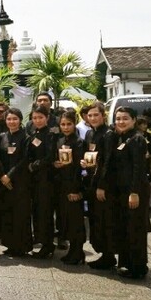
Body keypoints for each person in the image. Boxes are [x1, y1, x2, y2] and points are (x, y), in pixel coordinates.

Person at [100, 107, 150, 279]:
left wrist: (134, 192)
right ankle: (125, 263)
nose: (121, 122)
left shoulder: (137, 139)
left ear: (134, 120)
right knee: (124, 228)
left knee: (135, 229)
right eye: (118, 118)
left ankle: (138, 267)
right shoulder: (120, 137)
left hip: (134, 191)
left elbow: (139, 168)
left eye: (125, 118)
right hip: (120, 191)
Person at [83, 102, 117, 270]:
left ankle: (109, 255)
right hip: (90, 181)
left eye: (96, 115)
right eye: (90, 115)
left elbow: (108, 162)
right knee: (95, 219)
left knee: (105, 220)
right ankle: (103, 252)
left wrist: (102, 185)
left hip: (103, 185)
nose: (93, 118)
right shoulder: (90, 133)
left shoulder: (109, 134)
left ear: (103, 115)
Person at [0, 108, 32, 257]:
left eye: (15, 119)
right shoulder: (1, 137)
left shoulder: (26, 137)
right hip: (4, 182)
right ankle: (10, 244)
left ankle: (21, 246)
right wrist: (2, 176)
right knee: (7, 213)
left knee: (20, 214)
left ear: (20, 120)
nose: (12, 122)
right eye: (9, 119)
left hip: (20, 181)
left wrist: (9, 175)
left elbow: (25, 159)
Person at [54, 110, 85, 265]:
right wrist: (56, 164)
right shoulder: (60, 140)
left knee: (75, 220)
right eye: (63, 124)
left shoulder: (78, 142)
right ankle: (72, 251)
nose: (65, 127)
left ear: (74, 124)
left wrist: (76, 190)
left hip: (73, 184)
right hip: (61, 184)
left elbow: (79, 169)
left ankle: (78, 251)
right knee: (66, 219)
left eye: (69, 124)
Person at [28, 105, 57, 259]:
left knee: (45, 212)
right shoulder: (33, 133)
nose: (37, 120)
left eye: (40, 117)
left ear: (47, 118)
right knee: (37, 211)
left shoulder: (51, 135)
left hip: (46, 178)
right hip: (34, 179)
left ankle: (48, 244)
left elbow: (50, 156)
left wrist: (34, 165)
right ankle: (39, 239)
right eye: (35, 118)